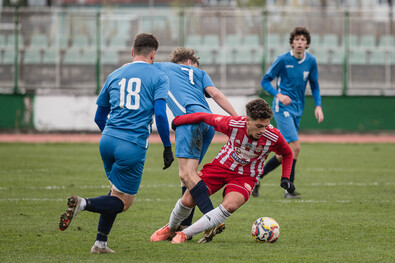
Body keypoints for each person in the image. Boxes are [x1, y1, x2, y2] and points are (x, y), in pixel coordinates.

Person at [58, 33, 174, 253]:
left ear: (132, 52)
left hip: (107, 141)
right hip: (132, 145)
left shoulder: (115, 74)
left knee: (114, 192)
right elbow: (160, 114)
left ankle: (100, 243)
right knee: (123, 202)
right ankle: (83, 204)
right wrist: (167, 147)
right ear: (153, 54)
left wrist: (112, 134)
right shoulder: (159, 76)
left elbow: (98, 116)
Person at [150, 98, 295, 243]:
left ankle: (184, 234)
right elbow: (204, 116)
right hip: (220, 167)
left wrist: (285, 177)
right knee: (188, 199)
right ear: (248, 120)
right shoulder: (233, 124)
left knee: (230, 205)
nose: (263, 130)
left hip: (246, 176)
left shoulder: (273, 135)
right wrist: (178, 121)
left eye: (266, 125)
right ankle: (170, 228)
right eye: (259, 126)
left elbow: (287, 153)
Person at [153, 47, 238, 241]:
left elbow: (139, 65)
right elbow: (215, 94)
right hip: (207, 123)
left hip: (188, 121)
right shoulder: (199, 72)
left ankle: (211, 220)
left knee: (186, 175)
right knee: (189, 177)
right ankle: (186, 225)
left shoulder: (163, 67)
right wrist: (236, 118)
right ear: (191, 63)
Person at [253, 26, 324, 199]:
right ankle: (289, 189)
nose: (299, 42)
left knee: (282, 154)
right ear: (292, 42)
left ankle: (256, 178)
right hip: (282, 108)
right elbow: (265, 81)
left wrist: (318, 105)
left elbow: (314, 85)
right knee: (295, 147)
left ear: (307, 44)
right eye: (296, 39)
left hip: (298, 109)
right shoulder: (283, 60)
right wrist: (279, 94)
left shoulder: (311, 61)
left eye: (303, 40)